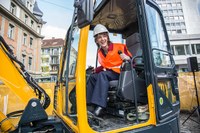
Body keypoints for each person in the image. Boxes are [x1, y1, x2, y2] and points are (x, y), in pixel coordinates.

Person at [86, 24, 132, 116]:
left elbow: (133, 62)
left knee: (103, 75)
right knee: (93, 77)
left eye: (104, 36)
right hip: (110, 73)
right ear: (96, 40)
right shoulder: (100, 52)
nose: (102, 39)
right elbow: (105, 65)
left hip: (121, 73)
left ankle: (101, 106)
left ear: (107, 37)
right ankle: (90, 105)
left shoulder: (120, 47)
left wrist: (128, 58)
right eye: (99, 37)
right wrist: (94, 70)